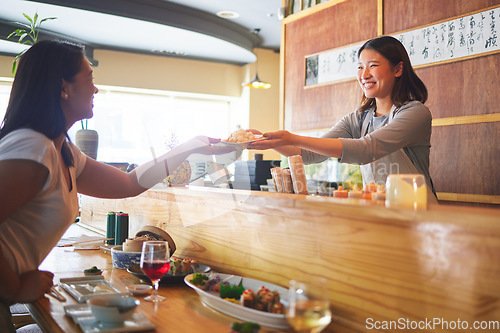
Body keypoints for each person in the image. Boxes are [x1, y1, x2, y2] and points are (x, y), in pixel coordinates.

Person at [0, 40, 224, 332]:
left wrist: (190, 147)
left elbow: (129, 184)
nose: (96, 89)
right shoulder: (33, 147)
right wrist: (16, 287)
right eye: (90, 79)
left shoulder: (64, 152)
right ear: (63, 88)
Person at [249, 36, 437, 201]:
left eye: (373, 66)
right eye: (360, 67)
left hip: (417, 213)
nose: (364, 75)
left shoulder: (415, 113)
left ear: (397, 69)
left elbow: (366, 149)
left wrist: (292, 137)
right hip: (380, 214)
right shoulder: (359, 119)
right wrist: (265, 141)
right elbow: (309, 154)